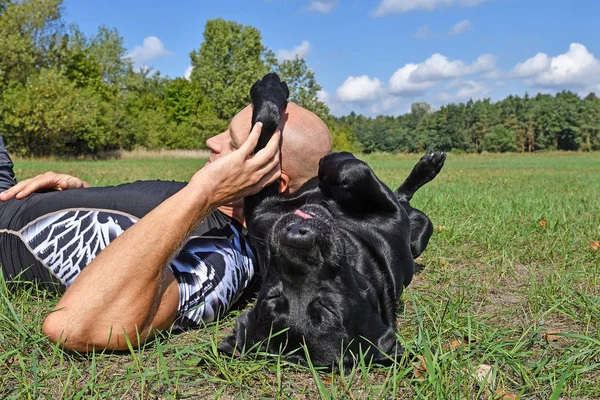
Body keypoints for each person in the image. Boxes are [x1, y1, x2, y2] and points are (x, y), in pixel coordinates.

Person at [0, 102, 332, 352]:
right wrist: (79, 197)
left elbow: (74, 326)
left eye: (232, 144)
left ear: (271, 180)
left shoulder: (223, 260)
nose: (210, 141)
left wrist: (203, 192)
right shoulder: (208, 205)